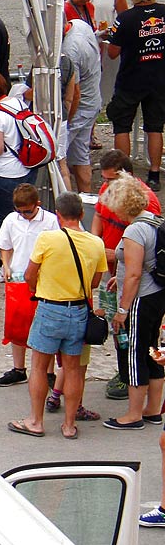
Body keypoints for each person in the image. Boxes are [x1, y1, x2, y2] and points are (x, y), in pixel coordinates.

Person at [11, 194, 108, 439]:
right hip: (77, 310)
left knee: (39, 367)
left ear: (58, 215)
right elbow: (95, 282)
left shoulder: (48, 238)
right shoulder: (95, 243)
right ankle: (69, 424)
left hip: (50, 307)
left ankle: (35, 421)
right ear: (82, 215)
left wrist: (36, 289)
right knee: (73, 369)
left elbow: (29, 273)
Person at [101, 177, 163, 430]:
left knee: (135, 354)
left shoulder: (134, 230)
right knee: (151, 351)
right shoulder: (153, 220)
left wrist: (122, 310)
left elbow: (135, 273)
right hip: (158, 294)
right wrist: (121, 275)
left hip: (141, 299)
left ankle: (134, 414)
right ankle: (153, 409)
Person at [0, 184, 57, 389]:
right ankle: (18, 369)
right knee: (17, 325)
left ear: (37, 204)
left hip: (44, 279)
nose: (24, 215)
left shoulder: (50, 220)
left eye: (28, 211)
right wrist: (5, 265)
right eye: (19, 211)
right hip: (19, 277)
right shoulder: (12, 220)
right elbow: (4, 245)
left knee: (46, 326)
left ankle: (48, 371)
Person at [106, 0, 165, 189]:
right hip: (158, 79)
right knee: (155, 127)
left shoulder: (125, 18)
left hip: (130, 80)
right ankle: (154, 174)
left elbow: (112, 52)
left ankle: (124, 176)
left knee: (122, 127)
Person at [0, 67, 35, 242]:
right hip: (27, 168)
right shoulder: (17, 103)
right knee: (25, 221)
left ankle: (7, 267)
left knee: (4, 225)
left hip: (5, 174)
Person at [61, 0, 105, 192]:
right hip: (93, 101)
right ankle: (86, 197)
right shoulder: (79, 24)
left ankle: (66, 205)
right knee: (80, 156)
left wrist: (66, 122)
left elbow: (73, 94)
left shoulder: (70, 50)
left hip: (81, 107)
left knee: (59, 158)